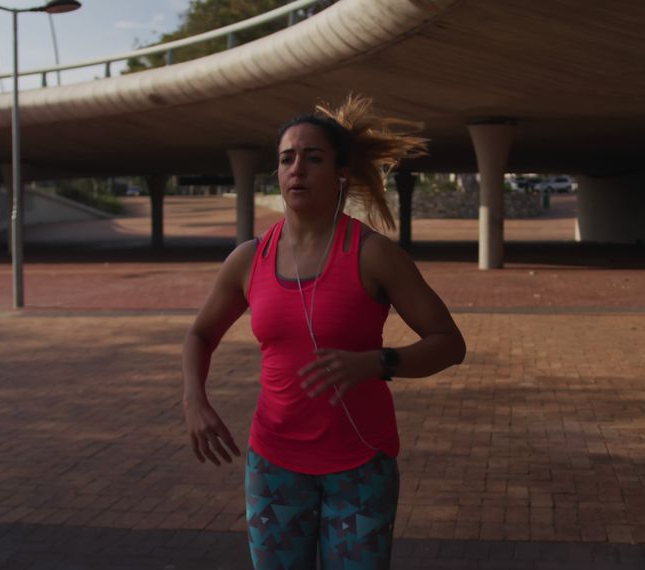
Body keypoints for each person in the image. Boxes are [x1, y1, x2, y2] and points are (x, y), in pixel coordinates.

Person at [181, 94, 466, 570]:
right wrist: (194, 401)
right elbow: (199, 336)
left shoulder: (374, 254)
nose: (297, 169)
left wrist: (378, 363)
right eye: (287, 158)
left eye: (313, 158)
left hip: (360, 466)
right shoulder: (250, 259)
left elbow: (450, 344)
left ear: (341, 173)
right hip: (272, 465)